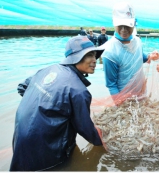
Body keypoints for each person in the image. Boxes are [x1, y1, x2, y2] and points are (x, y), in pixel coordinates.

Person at [10, 36, 104, 171]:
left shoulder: (49, 69)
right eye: (89, 55)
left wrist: (42, 104)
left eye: (95, 55)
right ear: (75, 57)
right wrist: (103, 142)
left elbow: (23, 86)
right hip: (47, 146)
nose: (95, 60)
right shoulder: (78, 91)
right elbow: (84, 128)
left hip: (20, 136)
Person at [101, 2, 159, 97]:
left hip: (141, 93)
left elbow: (140, 56)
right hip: (125, 99)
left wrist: (150, 56)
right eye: (120, 25)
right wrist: (120, 104)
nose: (124, 30)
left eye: (127, 25)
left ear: (134, 23)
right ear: (114, 22)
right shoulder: (110, 53)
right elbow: (111, 85)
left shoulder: (137, 41)